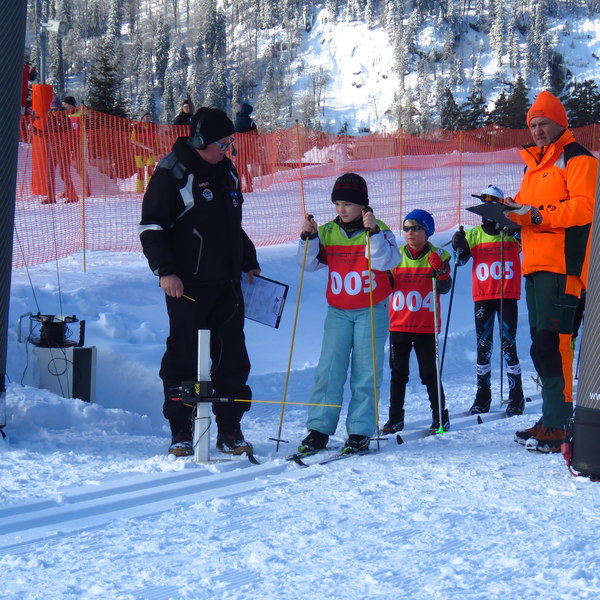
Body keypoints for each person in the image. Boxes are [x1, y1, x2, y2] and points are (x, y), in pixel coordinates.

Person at [139, 107, 261, 457]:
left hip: (227, 284)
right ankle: (181, 428)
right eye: (223, 143)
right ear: (201, 141)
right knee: (185, 359)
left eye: (230, 143)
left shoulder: (228, 172)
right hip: (187, 287)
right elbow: (152, 228)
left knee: (232, 359)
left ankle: (230, 428)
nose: (228, 150)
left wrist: (248, 259)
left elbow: (231, 225)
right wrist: (165, 271)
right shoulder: (172, 172)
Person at [504, 91, 597, 453]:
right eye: (533, 125)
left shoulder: (577, 158)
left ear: (560, 123)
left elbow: (586, 207)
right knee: (541, 346)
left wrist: (538, 215)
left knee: (554, 344)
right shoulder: (533, 166)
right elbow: (526, 209)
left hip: (563, 265)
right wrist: (506, 213)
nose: (537, 131)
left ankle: (559, 425)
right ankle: (551, 418)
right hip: (535, 264)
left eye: (543, 124)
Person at [297, 173, 400, 455]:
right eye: (337, 204)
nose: (341, 209)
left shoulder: (379, 229)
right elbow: (307, 264)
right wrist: (308, 237)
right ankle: (319, 429)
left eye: (347, 204)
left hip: (371, 310)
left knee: (366, 373)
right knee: (328, 370)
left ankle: (360, 431)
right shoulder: (329, 231)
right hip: (339, 311)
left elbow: (386, 261)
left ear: (362, 205)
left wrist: (373, 233)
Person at [451, 185, 524, 417]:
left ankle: (516, 394)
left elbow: (527, 241)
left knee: (509, 344)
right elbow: (460, 261)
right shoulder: (474, 234)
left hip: (507, 295)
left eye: (493, 206)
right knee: (483, 346)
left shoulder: (511, 231)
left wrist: (513, 226)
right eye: (485, 206)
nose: (488, 211)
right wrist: (458, 245)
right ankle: (483, 394)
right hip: (483, 297)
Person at [383, 209, 452, 435]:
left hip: (425, 325)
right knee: (398, 373)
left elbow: (445, 288)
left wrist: (441, 270)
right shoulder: (395, 256)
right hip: (399, 324)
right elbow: (386, 286)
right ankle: (395, 418)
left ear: (427, 231)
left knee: (429, 373)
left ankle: (440, 416)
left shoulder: (439, 255)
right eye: (406, 228)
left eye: (415, 228)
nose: (410, 232)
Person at [131, 109, 159, 193]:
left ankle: (150, 189)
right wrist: (144, 146)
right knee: (140, 171)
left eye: (149, 116)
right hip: (139, 153)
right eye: (146, 116)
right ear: (142, 117)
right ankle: (139, 190)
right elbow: (132, 140)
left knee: (151, 171)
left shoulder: (153, 127)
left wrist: (157, 150)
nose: (148, 118)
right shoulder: (136, 127)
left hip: (151, 152)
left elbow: (157, 139)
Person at [233, 102, 258, 193]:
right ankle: (248, 185)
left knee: (239, 166)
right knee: (242, 166)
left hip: (242, 147)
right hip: (245, 146)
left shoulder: (242, 120)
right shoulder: (246, 119)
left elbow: (237, 132)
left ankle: (240, 186)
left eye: (240, 107)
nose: (238, 108)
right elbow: (255, 134)